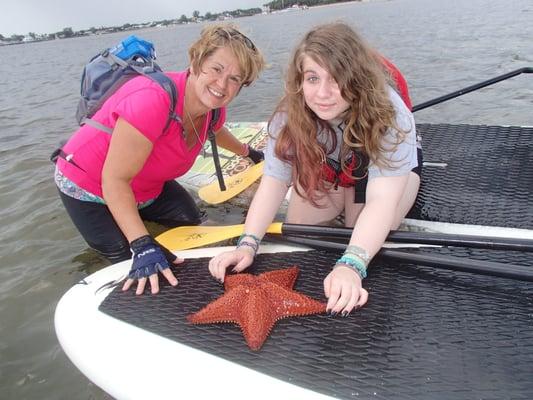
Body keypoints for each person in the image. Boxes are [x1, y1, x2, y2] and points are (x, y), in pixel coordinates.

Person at [209, 22, 422, 316]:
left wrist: (352, 264)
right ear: (300, 80)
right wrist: (247, 244)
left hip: (378, 174)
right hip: (334, 168)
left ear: (357, 79)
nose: (323, 93)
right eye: (312, 78)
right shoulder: (289, 115)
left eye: (336, 79)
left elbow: (382, 200)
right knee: (300, 232)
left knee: (358, 233)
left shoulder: (393, 115)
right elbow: (274, 181)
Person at [54, 24, 265, 295]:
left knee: (191, 219)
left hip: (147, 184)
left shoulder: (212, 111)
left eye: (235, 79)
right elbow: (115, 180)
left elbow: (217, 131)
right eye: (216, 69)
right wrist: (141, 243)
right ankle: (92, 265)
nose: (222, 84)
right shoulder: (152, 101)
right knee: (126, 258)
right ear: (196, 60)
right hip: (89, 185)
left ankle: (141, 225)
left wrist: (249, 153)